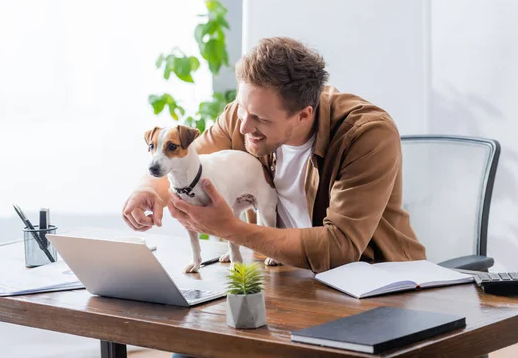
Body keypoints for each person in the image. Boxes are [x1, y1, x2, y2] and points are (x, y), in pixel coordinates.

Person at [122, 36, 426, 275]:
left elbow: (340, 247)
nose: (243, 126)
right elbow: (187, 160)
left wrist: (231, 228)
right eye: (242, 109)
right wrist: (147, 190)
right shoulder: (242, 117)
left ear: (304, 115)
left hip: (376, 285)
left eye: (260, 119)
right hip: (284, 277)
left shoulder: (366, 135)